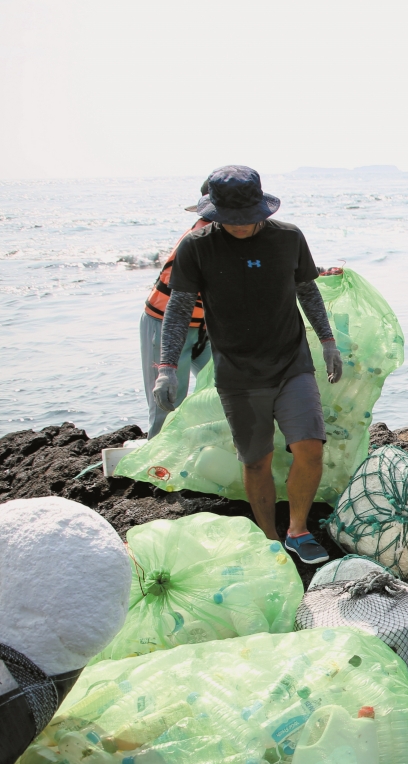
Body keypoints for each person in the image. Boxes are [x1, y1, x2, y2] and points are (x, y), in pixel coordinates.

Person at [151, 165, 341, 565]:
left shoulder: (288, 238)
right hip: (238, 373)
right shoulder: (197, 247)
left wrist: (328, 343)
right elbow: (179, 309)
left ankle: (298, 530)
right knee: (256, 461)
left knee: (310, 447)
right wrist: (166, 367)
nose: (239, 225)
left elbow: (307, 290)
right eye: (229, 218)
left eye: (246, 217)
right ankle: (269, 540)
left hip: (291, 363)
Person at [141, 180, 213, 437]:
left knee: (221, 392)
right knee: (167, 405)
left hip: (205, 328)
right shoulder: (198, 239)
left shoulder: (235, 236)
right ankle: (156, 459)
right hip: (166, 324)